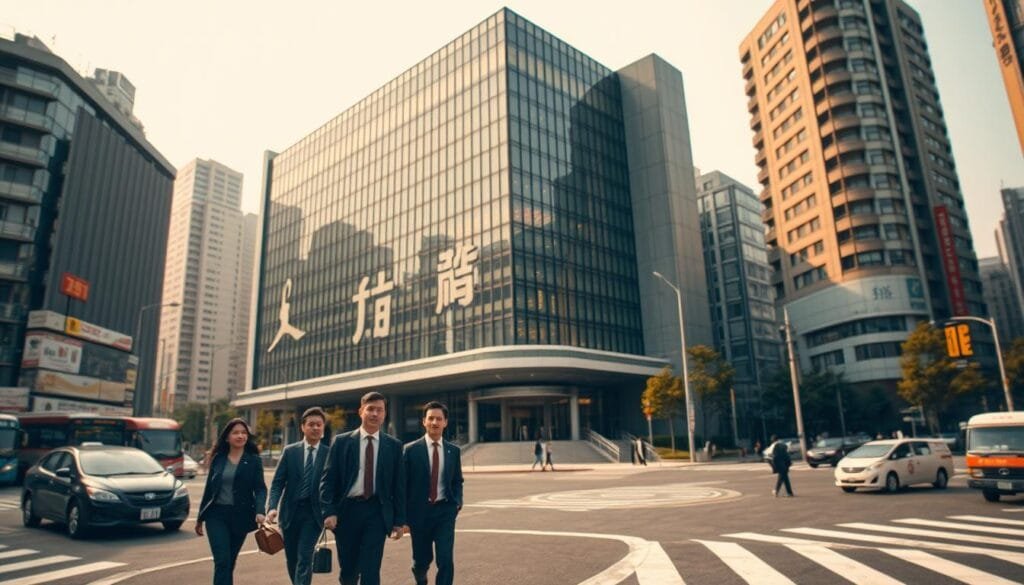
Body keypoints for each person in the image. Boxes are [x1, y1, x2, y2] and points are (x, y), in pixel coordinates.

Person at [320, 391, 406, 585]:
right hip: (347, 512)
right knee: (349, 571)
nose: (375, 414)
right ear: (361, 411)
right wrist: (329, 511)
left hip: (377, 512)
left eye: (379, 410)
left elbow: (399, 486)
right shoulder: (341, 442)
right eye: (370, 409)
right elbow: (328, 480)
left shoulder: (394, 446)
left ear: (385, 414)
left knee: (371, 569)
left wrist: (399, 521)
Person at [196, 418, 268, 585]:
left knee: (230, 562)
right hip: (216, 516)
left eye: (243, 433)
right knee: (222, 561)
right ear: (227, 437)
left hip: (240, 516)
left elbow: (260, 488)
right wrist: (200, 517)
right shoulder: (218, 459)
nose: (240, 436)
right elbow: (209, 490)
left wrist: (260, 511)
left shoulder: (254, 460)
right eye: (235, 432)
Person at [402, 401, 464, 585]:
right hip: (419, 513)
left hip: (445, 511)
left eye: (439, 419)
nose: (435, 422)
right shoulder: (410, 450)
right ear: (424, 421)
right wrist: (403, 518)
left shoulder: (454, 451)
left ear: (445, 422)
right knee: (422, 560)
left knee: (445, 559)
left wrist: (457, 502)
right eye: (431, 418)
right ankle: (420, 573)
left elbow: (457, 480)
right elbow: (402, 486)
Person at [267, 407, 328, 585]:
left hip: (314, 515)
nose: (315, 428)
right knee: (292, 558)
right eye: (311, 424)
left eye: (319, 425)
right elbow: (277, 483)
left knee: (304, 557)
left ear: (323, 428)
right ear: (303, 427)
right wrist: (272, 507)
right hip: (290, 514)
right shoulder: (290, 452)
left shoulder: (329, 454)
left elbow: (333, 486)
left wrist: (332, 512)